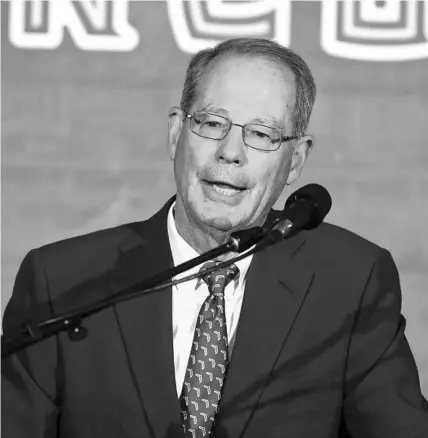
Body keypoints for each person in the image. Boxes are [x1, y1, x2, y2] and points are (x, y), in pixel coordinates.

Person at [2, 37, 428, 438]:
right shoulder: (63, 282)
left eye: (261, 134)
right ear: (176, 133)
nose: (231, 150)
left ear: (295, 160)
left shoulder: (349, 282)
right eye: (211, 122)